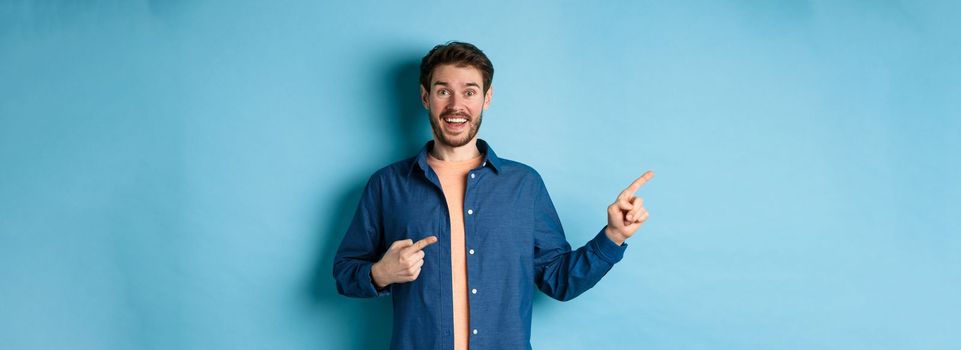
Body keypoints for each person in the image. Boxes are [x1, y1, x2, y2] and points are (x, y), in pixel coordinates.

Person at [333, 41, 654, 350]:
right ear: (424, 97)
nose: (456, 105)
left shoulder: (523, 185)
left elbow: (560, 281)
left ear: (486, 98)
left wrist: (613, 236)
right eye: (443, 91)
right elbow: (345, 274)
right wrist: (380, 274)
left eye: (469, 92)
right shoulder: (387, 185)